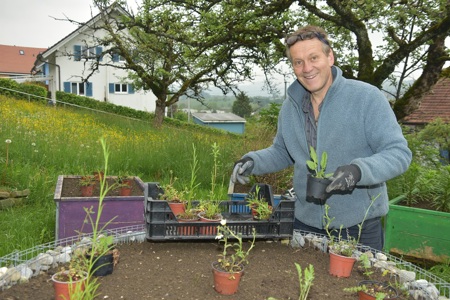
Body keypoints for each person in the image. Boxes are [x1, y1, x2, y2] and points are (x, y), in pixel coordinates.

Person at [231, 25, 412, 251]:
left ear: (330, 57)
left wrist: (358, 171)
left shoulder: (366, 98)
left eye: (313, 57)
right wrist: (252, 161)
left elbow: (398, 154)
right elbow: (282, 151)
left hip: (357, 225)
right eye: (298, 62)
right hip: (304, 222)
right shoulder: (291, 107)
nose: (307, 68)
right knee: (303, 284)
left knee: (361, 285)